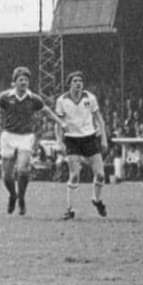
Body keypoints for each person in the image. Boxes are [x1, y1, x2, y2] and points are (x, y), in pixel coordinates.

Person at [0, 66, 73, 216]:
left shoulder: (33, 98)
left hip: (26, 136)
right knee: (7, 176)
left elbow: (47, 112)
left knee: (22, 169)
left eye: (26, 80)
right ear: (14, 82)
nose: (24, 82)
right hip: (8, 135)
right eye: (20, 79)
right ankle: (13, 195)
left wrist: (61, 123)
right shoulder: (5, 97)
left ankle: (21, 197)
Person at [54, 70, 109, 220]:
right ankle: (70, 209)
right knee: (74, 175)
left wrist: (103, 139)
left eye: (80, 81)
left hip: (90, 138)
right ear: (69, 84)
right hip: (72, 139)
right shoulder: (62, 100)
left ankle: (96, 200)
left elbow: (99, 120)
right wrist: (59, 142)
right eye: (75, 81)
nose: (78, 83)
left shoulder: (90, 98)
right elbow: (58, 124)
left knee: (100, 174)